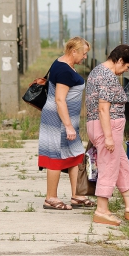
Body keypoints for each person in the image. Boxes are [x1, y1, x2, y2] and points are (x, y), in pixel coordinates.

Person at [86, 44, 129, 226]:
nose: (125, 71)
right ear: (120, 60)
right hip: (107, 127)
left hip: (105, 127)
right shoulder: (106, 76)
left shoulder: (98, 71)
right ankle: (102, 210)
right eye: (127, 67)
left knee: (121, 165)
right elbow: (104, 109)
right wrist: (108, 137)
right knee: (109, 167)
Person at [38, 37, 94, 210]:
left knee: (76, 154)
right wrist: (68, 125)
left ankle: (77, 195)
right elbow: (60, 100)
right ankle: (51, 198)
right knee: (55, 156)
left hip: (66, 120)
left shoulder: (62, 63)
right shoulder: (64, 71)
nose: (85, 57)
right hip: (59, 121)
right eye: (84, 54)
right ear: (73, 51)